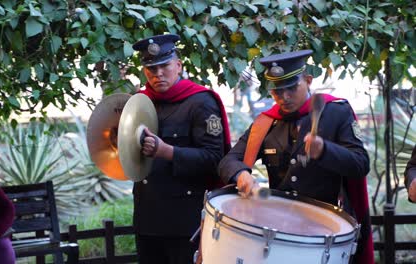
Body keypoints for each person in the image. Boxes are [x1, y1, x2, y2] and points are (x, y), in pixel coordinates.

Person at [218, 50, 374, 263]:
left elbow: (361, 164)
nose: (285, 97)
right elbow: (229, 160)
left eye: (292, 88)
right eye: (277, 91)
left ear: (308, 80)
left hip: (325, 230)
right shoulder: (266, 123)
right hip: (278, 231)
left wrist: (325, 151)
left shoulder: (336, 112)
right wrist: (241, 174)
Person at [131, 34, 230, 264]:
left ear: (178, 65)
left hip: (185, 223)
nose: (158, 74)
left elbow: (216, 158)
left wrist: (167, 151)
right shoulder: (139, 102)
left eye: (164, 66)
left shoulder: (201, 102)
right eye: (151, 69)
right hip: (147, 217)